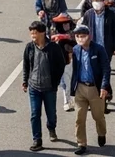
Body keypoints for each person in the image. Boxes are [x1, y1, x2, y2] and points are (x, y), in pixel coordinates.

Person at [22, 21, 67, 152]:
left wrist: (56, 82)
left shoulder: (53, 48)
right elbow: (26, 65)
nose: (32, 35)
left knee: (51, 113)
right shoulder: (29, 47)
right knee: (35, 114)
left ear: (42, 33)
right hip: (34, 86)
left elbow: (61, 65)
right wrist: (25, 81)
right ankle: (37, 139)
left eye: (35, 32)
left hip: (49, 88)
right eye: (31, 33)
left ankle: (51, 127)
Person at [68, 25, 110, 155]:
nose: (80, 38)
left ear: (89, 36)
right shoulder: (75, 50)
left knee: (98, 116)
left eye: (82, 36)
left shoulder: (99, 49)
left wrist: (104, 86)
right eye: (78, 36)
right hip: (80, 87)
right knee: (79, 118)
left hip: (95, 88)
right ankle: (81, 144)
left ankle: (101, 133)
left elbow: (105, 69)